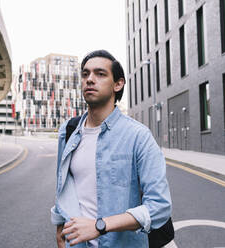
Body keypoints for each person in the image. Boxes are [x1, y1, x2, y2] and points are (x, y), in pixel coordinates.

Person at [51, 50, 172, 248]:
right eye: (85, 74)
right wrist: (59, 227)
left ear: (118, 84)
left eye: (100, 74)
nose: (90, 79)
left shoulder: (138, 136)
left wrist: (99, 226)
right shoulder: (69, 131)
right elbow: (62, 185)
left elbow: (159, 207)